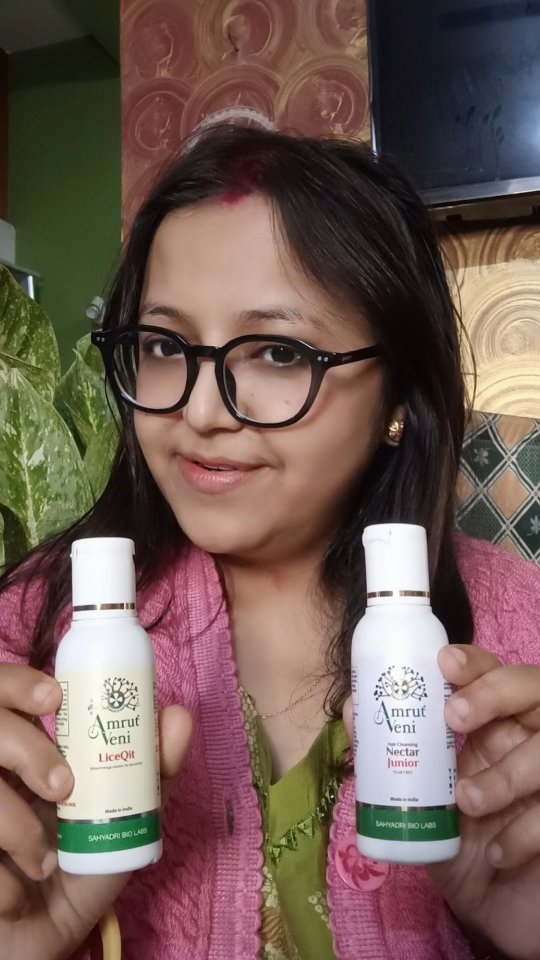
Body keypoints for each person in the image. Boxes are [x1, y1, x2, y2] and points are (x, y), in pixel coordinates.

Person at [0, 124, 539, 960]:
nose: (200, 411)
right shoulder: (28, 640)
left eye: (279, 353)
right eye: (163, 346)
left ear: (399, 393)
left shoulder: (522, 644)